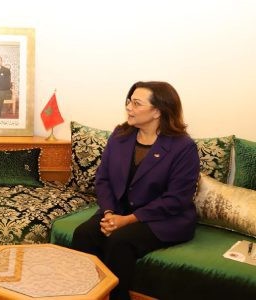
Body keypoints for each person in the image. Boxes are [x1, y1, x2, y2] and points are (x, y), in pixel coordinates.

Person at [70, 81, 200, 300]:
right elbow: (103, 180)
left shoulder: (183, 147)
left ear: (157, 111)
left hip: (162, 218)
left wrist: (128, 220)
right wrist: (110, 213)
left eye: (137, 103)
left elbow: (176, 199)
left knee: (120, 241)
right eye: (129, 101)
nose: (129, 107)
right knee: (83, 234)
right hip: (118, 211)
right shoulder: (121, 135)